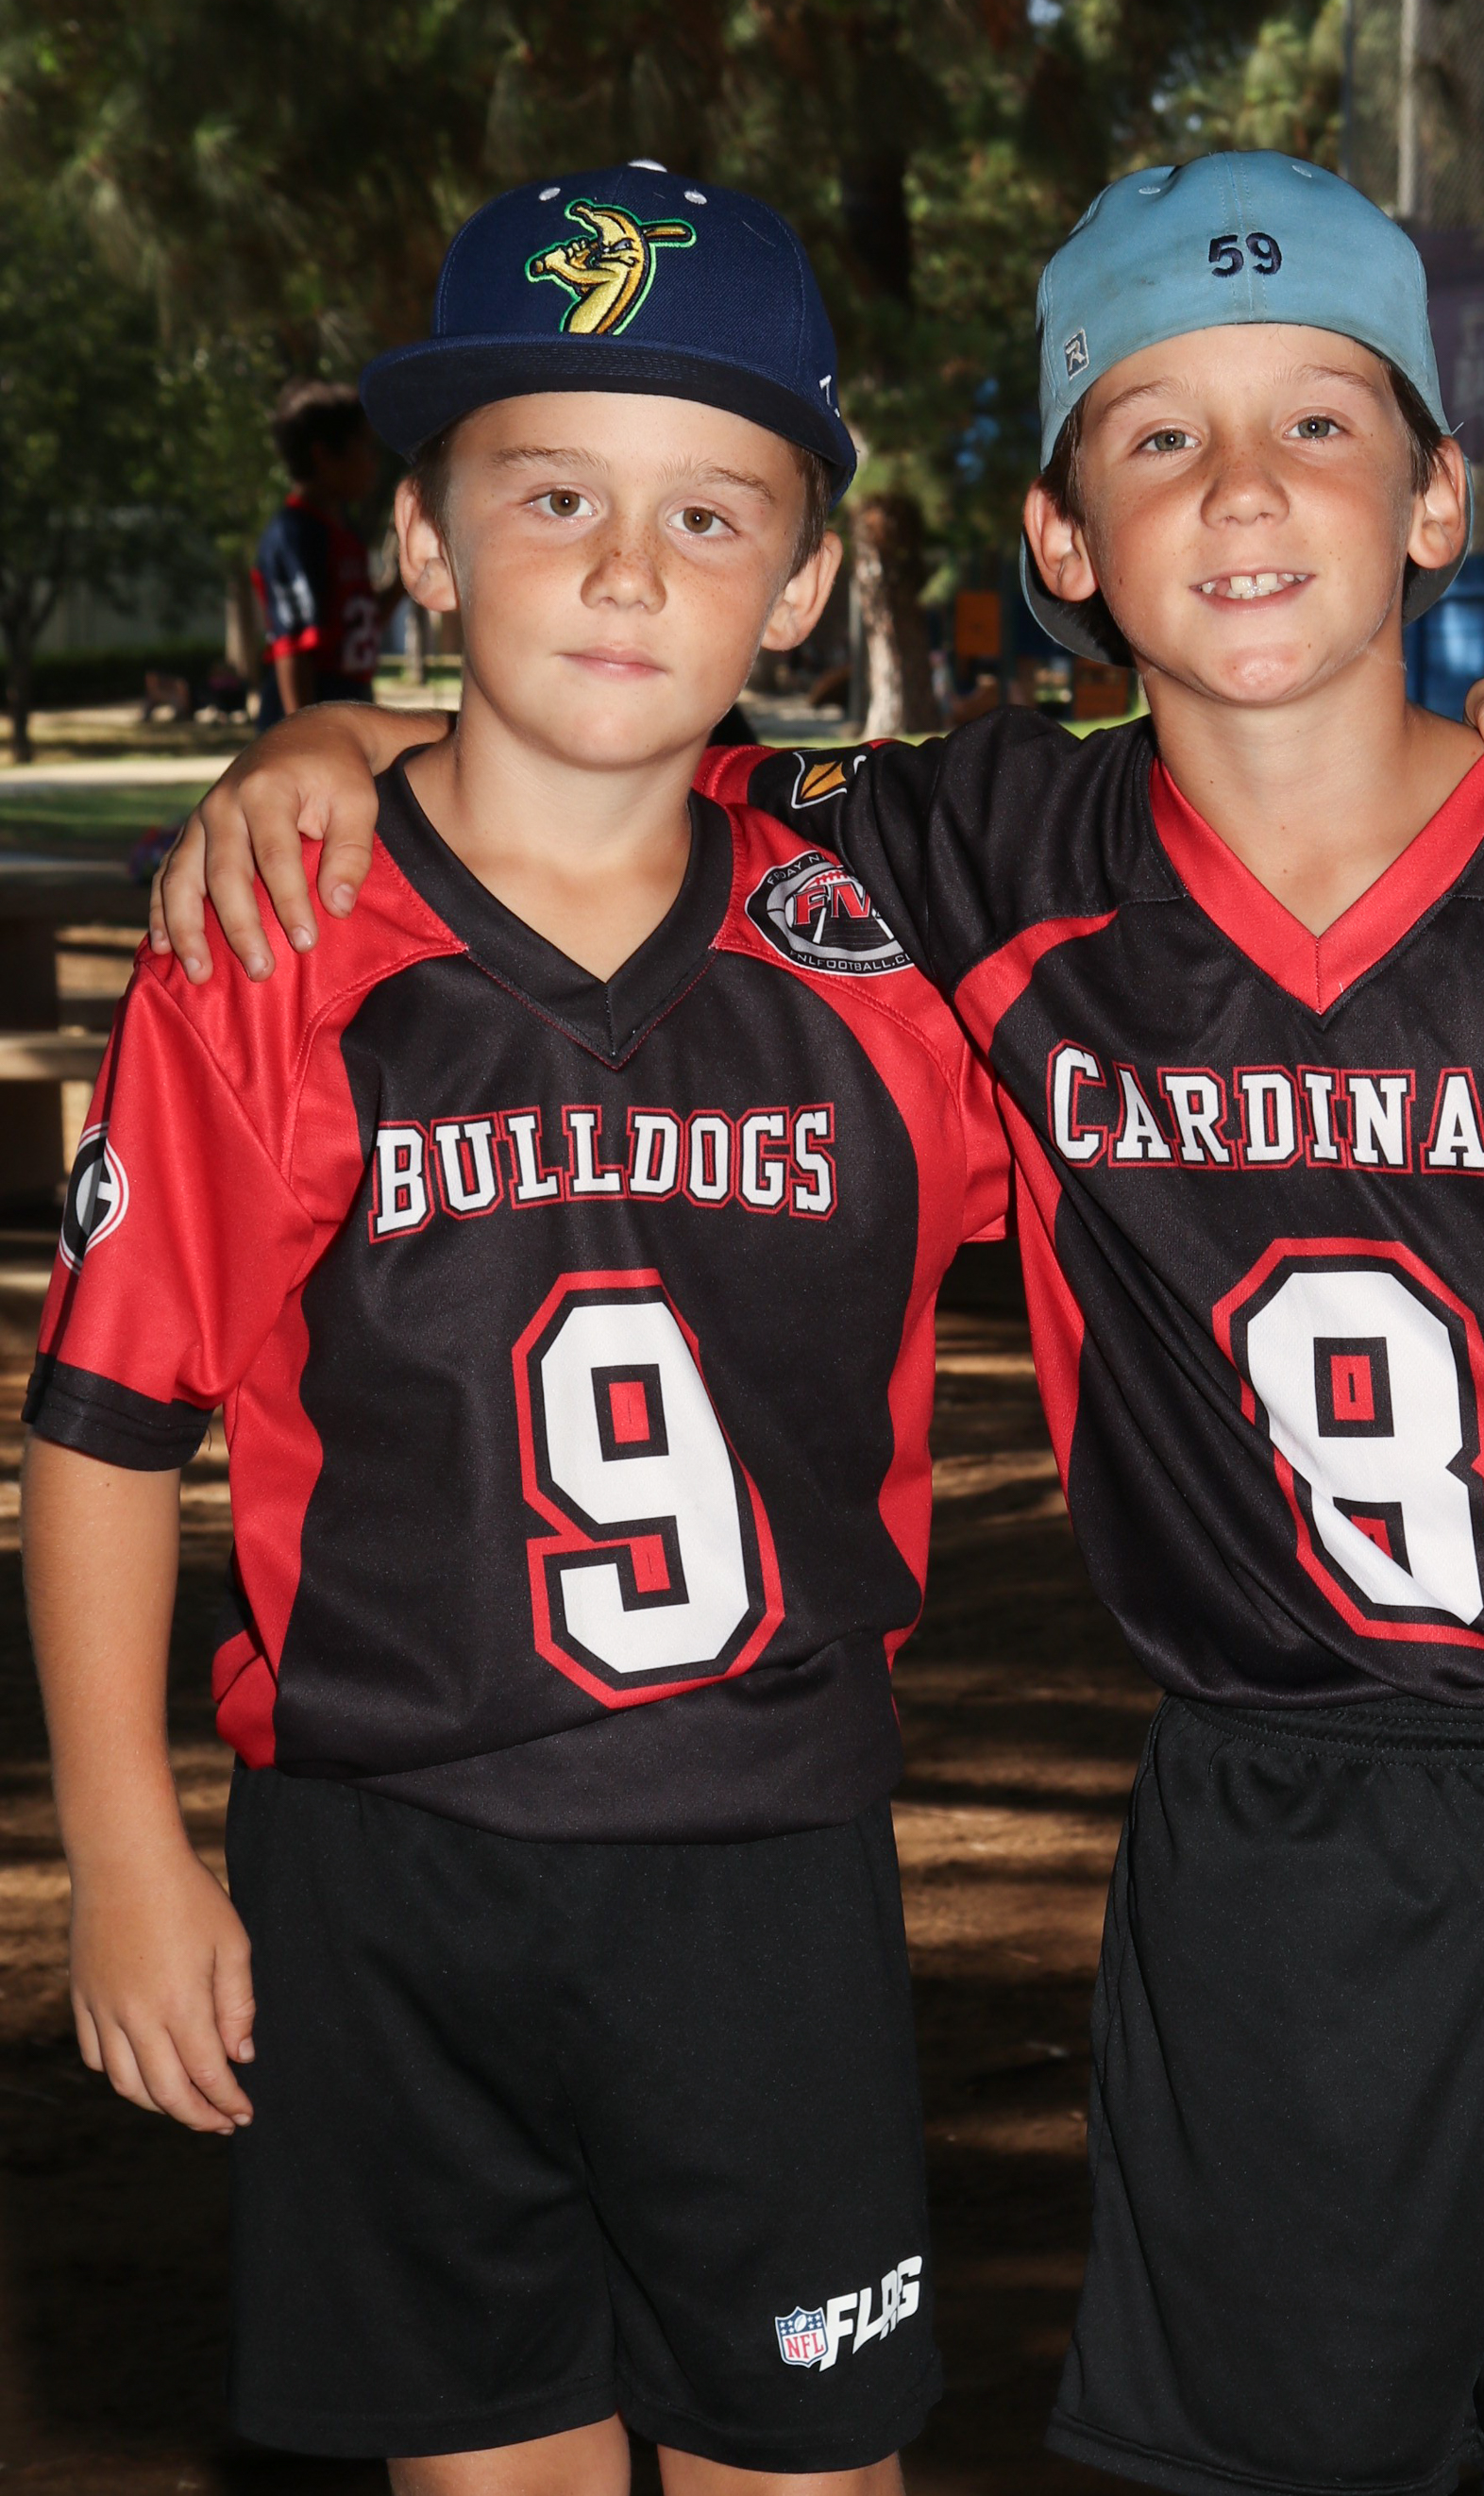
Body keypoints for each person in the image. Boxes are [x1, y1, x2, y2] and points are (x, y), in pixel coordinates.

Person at [160, 152, 1484, 2496]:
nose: (1243, 487)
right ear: (1062, 540)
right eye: (1158, 434)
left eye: (1318, 423)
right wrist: (331, 741)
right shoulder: (985, 852)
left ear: (1437, 500)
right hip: (1257, 1820)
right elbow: (608, 740)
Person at [22, 165, 1019, 2495]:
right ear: (426, 541)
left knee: (805, 2466)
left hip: (763, 1849)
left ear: (800, 582)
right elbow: (106, 1424)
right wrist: (127, 1852)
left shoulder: (887, 953)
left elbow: (1234, 814)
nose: (625, 569)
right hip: (381, 1859)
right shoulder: (275, 947)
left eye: (706, 514)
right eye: (554, 495)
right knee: (487, 2470)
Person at [252, 379, 402, 727]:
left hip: (348, 708)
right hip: (309, 721)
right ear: (323, 455)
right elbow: (293, 648)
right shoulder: (295, 534)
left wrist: (401, 583)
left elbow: (358, 628)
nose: (374, 461)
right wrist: (305, 737)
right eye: (364, 446)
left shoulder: (344, 530)